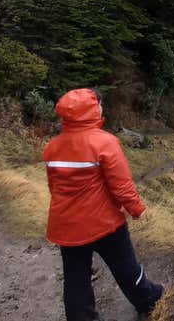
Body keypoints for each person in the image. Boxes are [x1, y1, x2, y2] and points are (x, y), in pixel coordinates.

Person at [43, 88, 163, 321]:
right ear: (92, 109)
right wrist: (137, 209)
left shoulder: (52, 147)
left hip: (66, 226)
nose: (101, 108)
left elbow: (54, 188)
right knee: (126, 268)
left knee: (76, 280)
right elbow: (121, 186)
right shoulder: (105, 142)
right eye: (99, 104)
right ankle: (149, 301)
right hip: (103, 222)